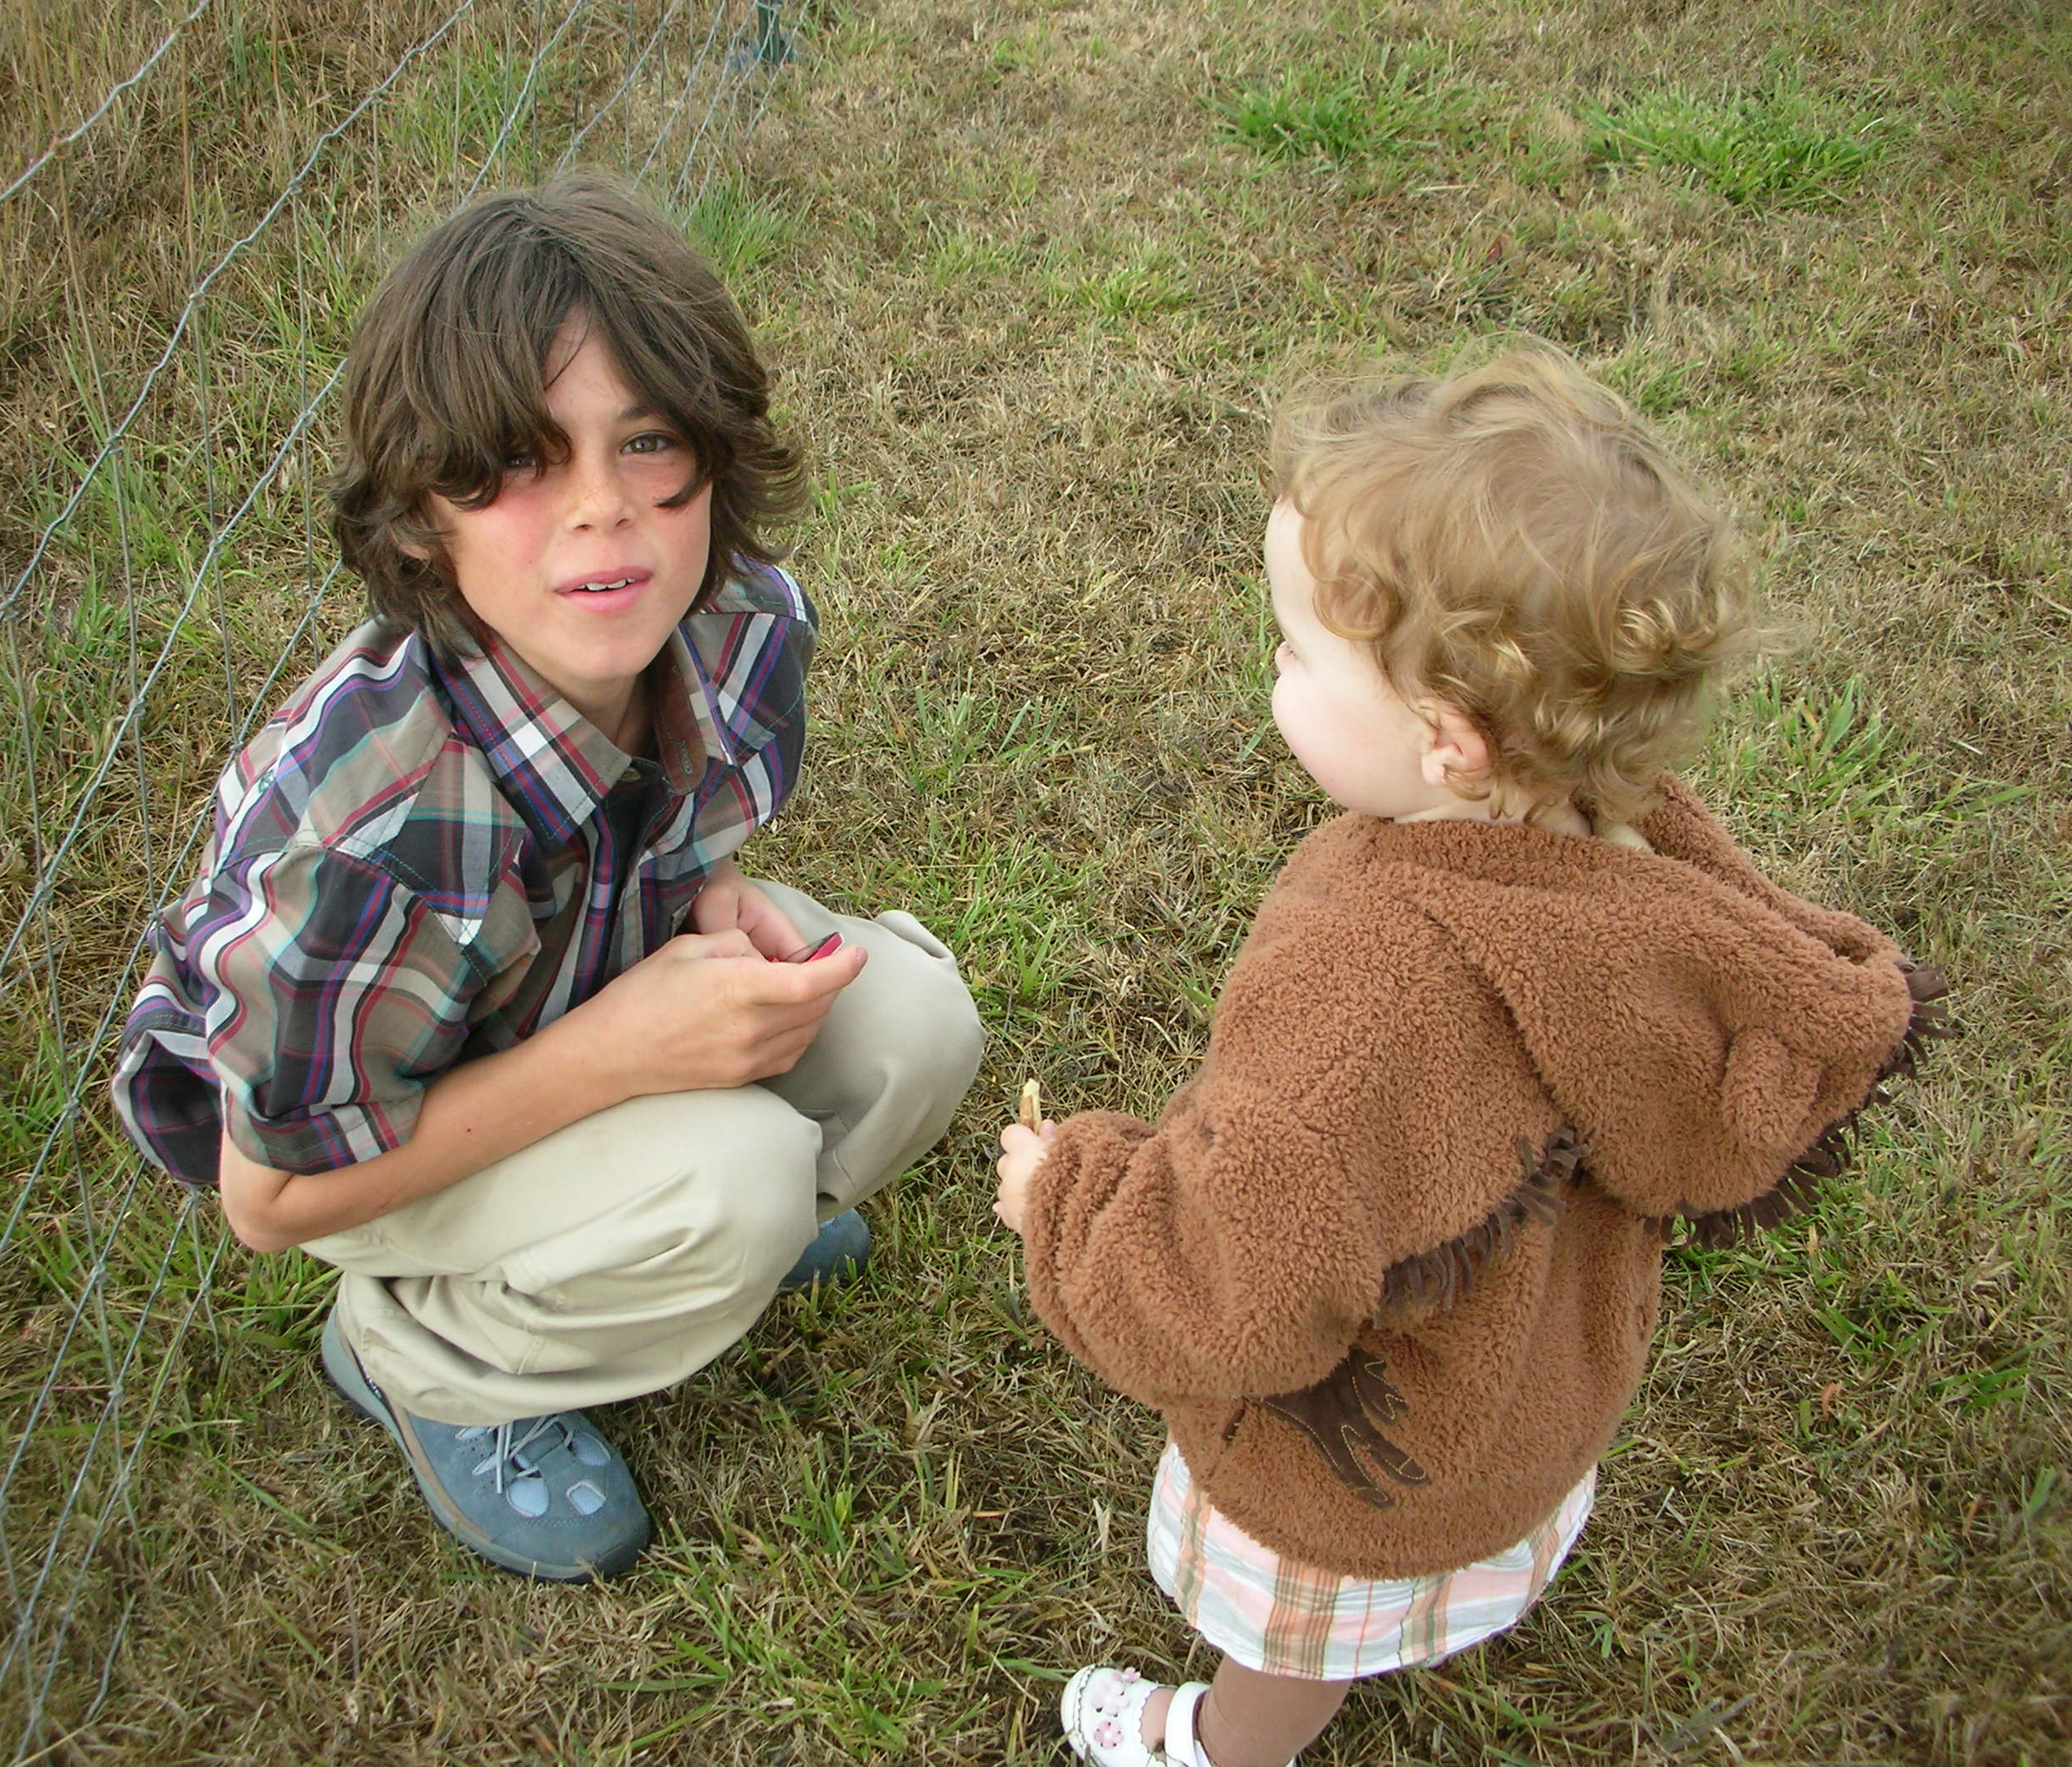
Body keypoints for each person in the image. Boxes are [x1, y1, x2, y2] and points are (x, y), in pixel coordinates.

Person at [992, 347, 1944, 1767]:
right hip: (1523, 1402)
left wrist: (1067, 1197)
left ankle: (1225, 1743)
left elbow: (1245, 1285)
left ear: (1444, 741)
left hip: (1365, 1465)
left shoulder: (1367, 990)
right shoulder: (1638, 863)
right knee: (1423, 1552)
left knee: (1289, 1642)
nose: (1272, 665)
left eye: (1292, 649)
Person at [110, 173, 983, 1583]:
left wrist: (706, 890)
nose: (602, 511)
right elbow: (265, 1202)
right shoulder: (365, 839)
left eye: (647, 440)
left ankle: (650, 1249)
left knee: (915, 1027)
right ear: (419, 518)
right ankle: (426, 1360)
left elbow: (675, 815)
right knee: (737, 1182)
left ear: (716, 449)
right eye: (519, 460)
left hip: (548, 995)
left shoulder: (740, 624)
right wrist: (621, 1054)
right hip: (362, 1136)